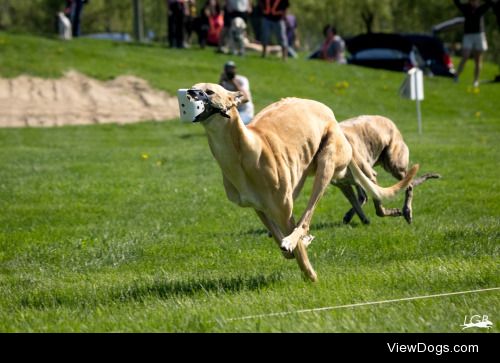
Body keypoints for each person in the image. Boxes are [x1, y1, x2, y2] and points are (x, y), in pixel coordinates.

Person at [453, 0, 493, 87]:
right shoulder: (465, 8)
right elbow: (457, 3)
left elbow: (490, 3)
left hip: (479, 35)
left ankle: (476, 81)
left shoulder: (480, 8)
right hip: (468, 35)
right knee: (465, 56)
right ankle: (456, 76)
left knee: (478, 59)